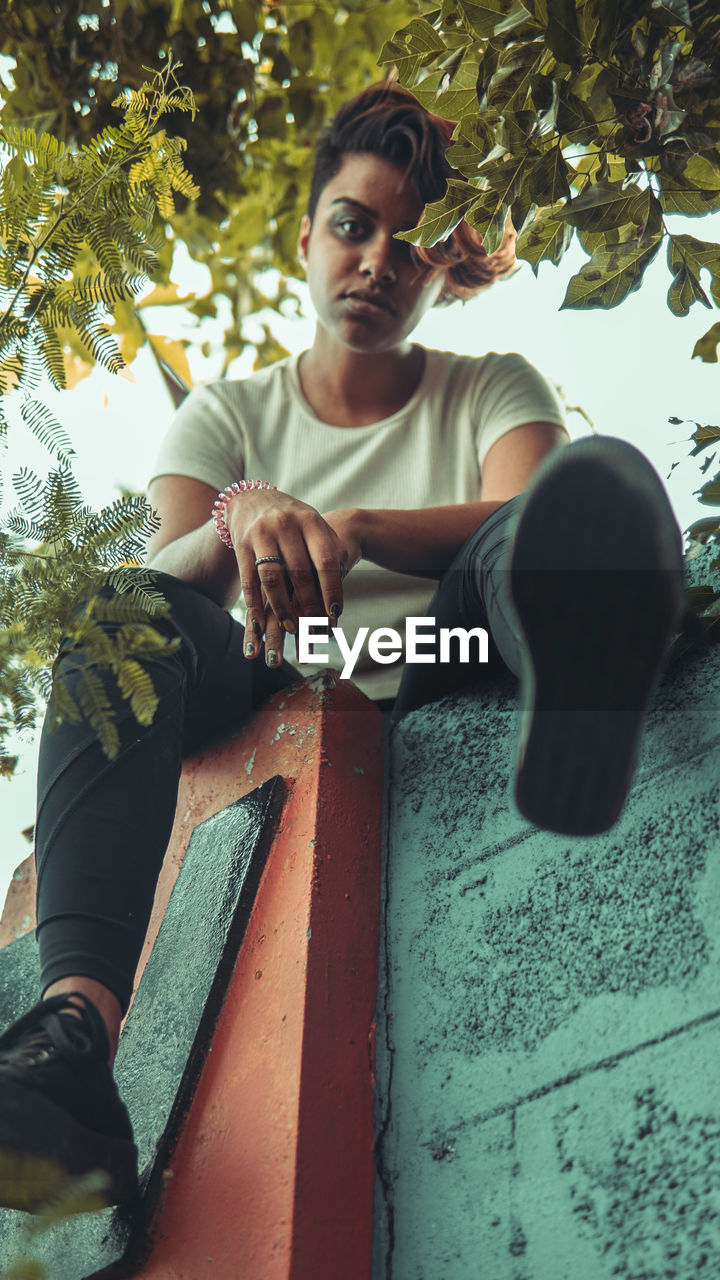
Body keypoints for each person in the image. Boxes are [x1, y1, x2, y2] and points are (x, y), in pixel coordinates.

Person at [0, 83, 684, 1214]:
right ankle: (73, 1046)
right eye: (353, 226)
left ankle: (585, 653)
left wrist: (355, 529)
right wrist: (243, 513)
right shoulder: (225, 413)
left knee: (545, 528)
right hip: (273, 668)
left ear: (442, 272)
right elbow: (159, 582)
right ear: (310, 235)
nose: (376, 260)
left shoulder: (490, 387)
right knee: (117, 623)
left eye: (409, 243)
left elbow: (513, 507)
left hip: (434, 650)